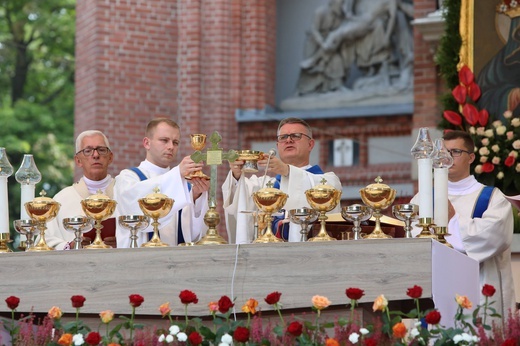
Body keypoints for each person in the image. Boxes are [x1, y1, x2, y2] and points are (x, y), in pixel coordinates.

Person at [411, 130, 516, 321]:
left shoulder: (492, 198)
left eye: (455, 152)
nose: (446, 157)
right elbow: (414, 237)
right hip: (438, 288)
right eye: (441, 152)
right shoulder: (424, 198)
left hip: (481, 290)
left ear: (471, 157)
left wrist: (452, 220)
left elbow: (494, 238)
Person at [222, 117, 342, 243]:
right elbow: (238, 204)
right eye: (283, 137)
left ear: (310, 144)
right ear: (277, 145)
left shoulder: (327, 180)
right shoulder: (263, 184)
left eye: (296, 136)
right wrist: (236, 175)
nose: (288, 140)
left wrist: (287, 171)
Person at [114, 118, 209, 248]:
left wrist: (195, 197)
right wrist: (178, 173)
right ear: (147, 143)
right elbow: (136, 214)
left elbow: (193, 235)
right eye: (164, 140)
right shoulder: (128, 178)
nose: (171, 147)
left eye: (175, 142)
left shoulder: (184, 186)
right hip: (139, 262)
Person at [44, 130, 116, 250]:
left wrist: (123, 242)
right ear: (78, 160)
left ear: (110, 157)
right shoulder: (61, 199)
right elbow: (45, 240)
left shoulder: (126, 192)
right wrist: (71, 246)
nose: (96, 155)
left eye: (101, 150)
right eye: (88, 151)